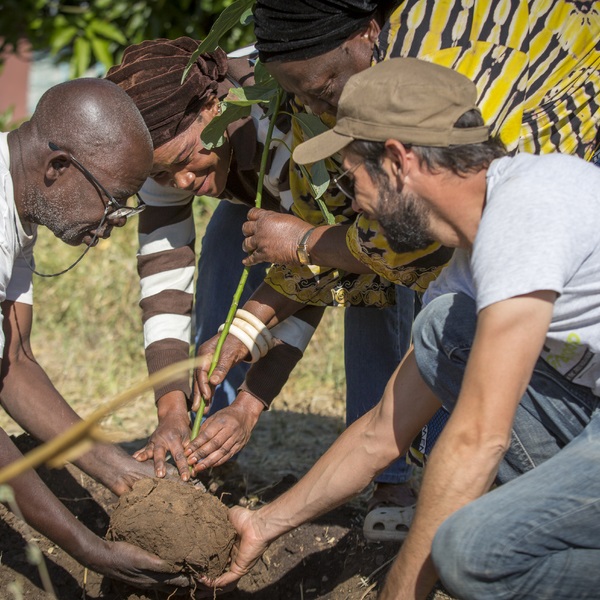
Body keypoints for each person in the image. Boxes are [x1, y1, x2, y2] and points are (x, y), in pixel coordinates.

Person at [189, 0, 600, 540]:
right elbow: (379, 426)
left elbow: (395, 242)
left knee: (473, 536)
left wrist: (305, 243)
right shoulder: (371, 83)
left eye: (324, 89)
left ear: (368, 34)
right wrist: (249, 357)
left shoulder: (448, 91)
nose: (318, 107)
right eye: (303, 98)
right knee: (442, 329)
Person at [105, 38, 328, 482]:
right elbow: (164, 286)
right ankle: (207, 445)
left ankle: (389, 483)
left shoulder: (285, 127)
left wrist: (252, 402)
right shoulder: (167, 153)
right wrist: (170, 409)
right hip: (252, 187)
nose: (182, 181)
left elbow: (320, 271)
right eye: (162, 174)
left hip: (342, 221)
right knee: (229, 238)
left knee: (377, 306)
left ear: (213, 109)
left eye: (187, 160)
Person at [0, 77, 192, 589]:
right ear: (58, 170)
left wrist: (115, 467)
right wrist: (89, 549)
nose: (115, 223)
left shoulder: (16, 214)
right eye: (115, 202)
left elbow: (13, 362)